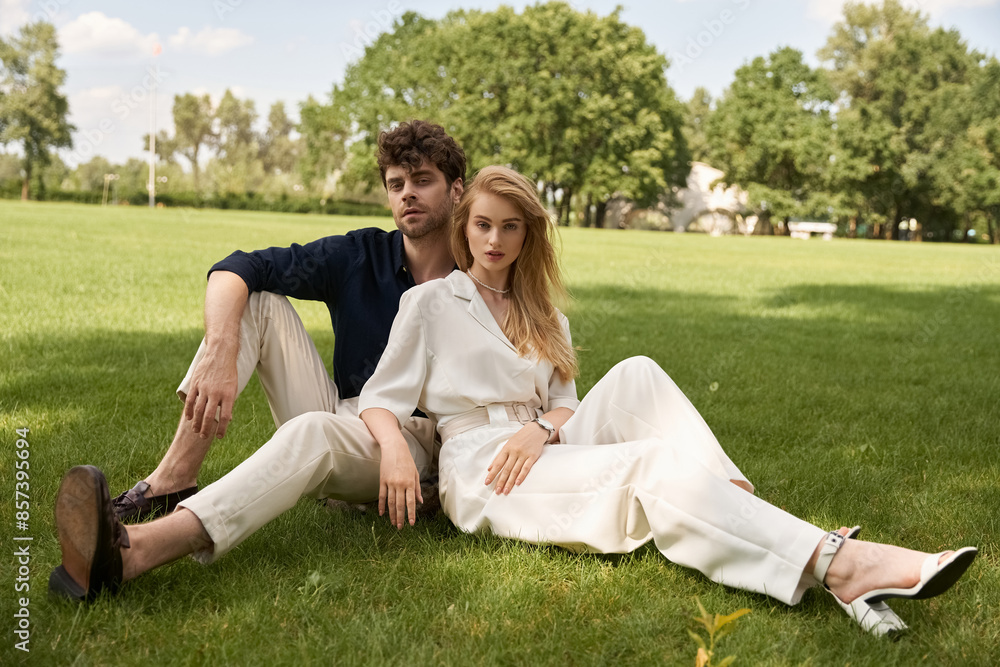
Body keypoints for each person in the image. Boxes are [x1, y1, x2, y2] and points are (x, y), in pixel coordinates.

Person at [356, 165, 977, 636]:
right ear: (465, 228)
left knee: (638, 371)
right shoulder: (432, 302)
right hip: (484, 468)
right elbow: (380, 399)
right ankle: (840, 564)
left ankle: (739, 505)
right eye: (483, 224)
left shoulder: (546, 316)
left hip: (539, 443)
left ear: (529, 235)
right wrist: (394, 451)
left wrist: (540, 429)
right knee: (649, 463)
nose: (495, 239)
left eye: (510, 226)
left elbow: (566, 403)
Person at [48, 120, 464, 600]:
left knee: (312, 432)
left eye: (423, 181)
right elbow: (239, 266)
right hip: (348, 414)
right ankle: (172, 481)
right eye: (396, 184)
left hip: (412, 443)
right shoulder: (360, 255)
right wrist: (221, 351)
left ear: (456, 190)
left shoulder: (478, 271)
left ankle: (134, 552)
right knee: (258, 301)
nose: (407, 194)